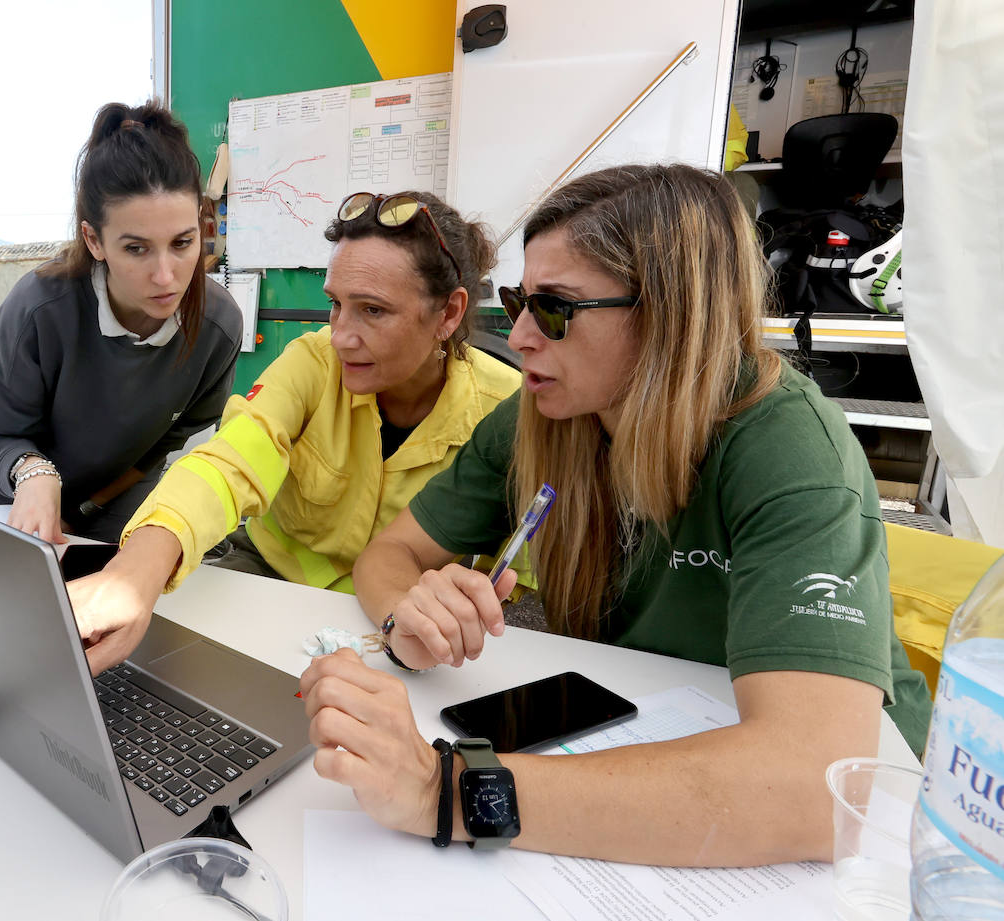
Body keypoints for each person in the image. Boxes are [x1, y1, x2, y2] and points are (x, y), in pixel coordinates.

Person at [302, 163, 932, 866]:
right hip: (641, 746)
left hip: (870, 833)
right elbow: (389, 554)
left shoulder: (788, 449)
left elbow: (812, 788)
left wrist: (443, 790)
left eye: (554, 308)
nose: (517, 336)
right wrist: (411, 615)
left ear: (671, 313)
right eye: (518, 301)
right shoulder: (544, 417)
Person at [69, 191, 521, 672]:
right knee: (164, 674)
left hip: (404, 621)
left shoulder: (506, 412)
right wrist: (132, 575)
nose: (341, 336)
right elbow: (229, 463)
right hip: (268, 577)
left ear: (448, 314)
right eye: (336, 304)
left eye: (373, 310)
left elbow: (517, 580)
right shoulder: (313, 362)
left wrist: (443, 615)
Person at [0, 100, 243, 545]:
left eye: (182, 243)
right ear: (94, 240)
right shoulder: (37, 310)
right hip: (21, 497)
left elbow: (169, 441)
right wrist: (35, 476)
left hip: (121, 504)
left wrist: (92, 507)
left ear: (202, 226)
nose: (165, 276)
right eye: (136, 248)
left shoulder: (219, 326)